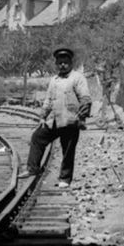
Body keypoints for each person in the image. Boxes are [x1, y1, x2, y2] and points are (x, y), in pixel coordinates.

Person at [26, 45, 92, 187]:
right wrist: (43, 117)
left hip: (70, 120)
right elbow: (48, 101)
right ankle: (32, 169)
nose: (63, 65)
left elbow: (85, 99)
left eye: (65, 62)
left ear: (71, 62)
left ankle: (64, 179)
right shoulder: (54, 80)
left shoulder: (77, 78)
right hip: (55, 120)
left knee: (67, 151)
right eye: (60, 62)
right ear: (56, 64)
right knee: (38, 137)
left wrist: (81, 118)